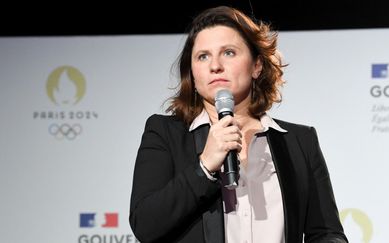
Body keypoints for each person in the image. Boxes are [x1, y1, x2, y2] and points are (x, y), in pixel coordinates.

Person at [129, 5, 348, 243]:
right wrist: (204, 168)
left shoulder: (299, 141)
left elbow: (327, 233)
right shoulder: (164, 133)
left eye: (229, 53)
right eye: (203, 56)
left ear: (257, 66)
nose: (215, 66)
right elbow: (146, 225)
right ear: (192, 73)